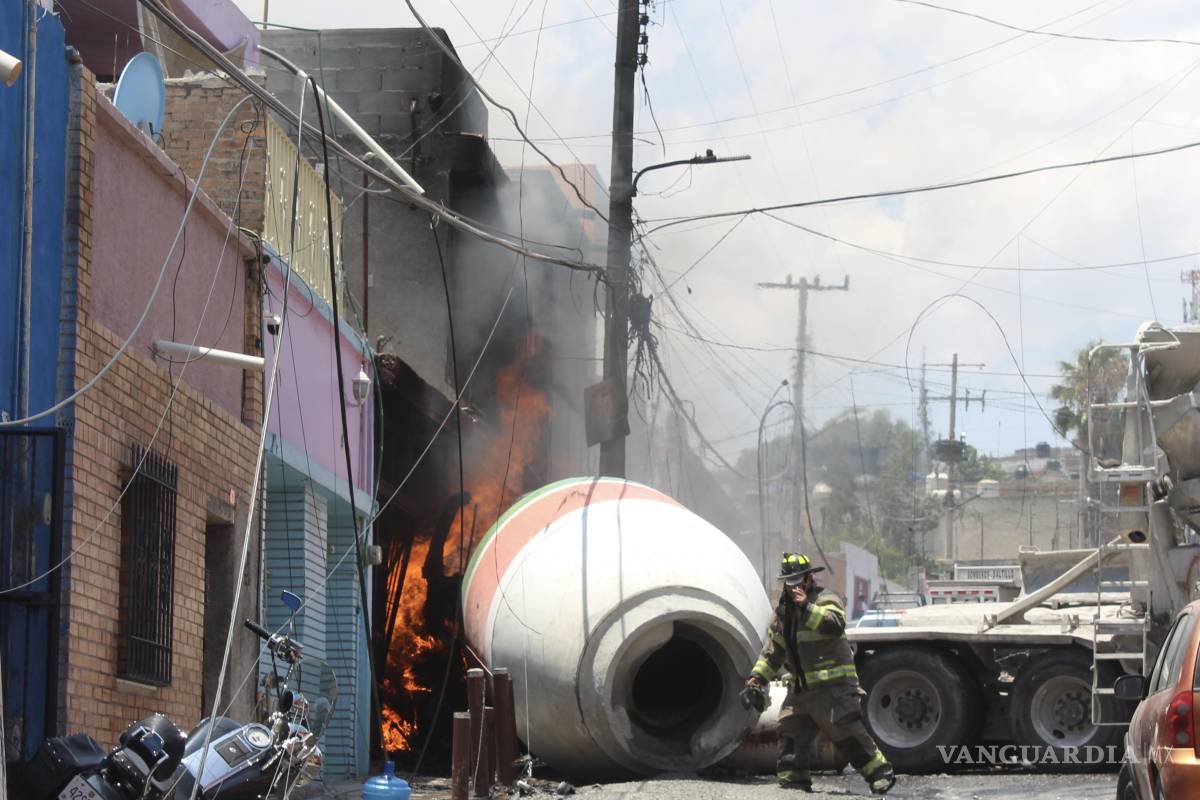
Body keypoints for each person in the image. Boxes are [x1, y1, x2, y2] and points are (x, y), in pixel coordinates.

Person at [740, 552, 895, 794]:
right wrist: (756, 679)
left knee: (847, 735)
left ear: (809, 578)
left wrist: (806, 607)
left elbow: (835, 624)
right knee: (790, 736)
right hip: (800, 693)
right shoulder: (783, 613)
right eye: (789, 582)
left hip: (833, 689)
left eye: (798, 580)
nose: (793, 587)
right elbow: (773, 652)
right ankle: (794, 784)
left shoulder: (826, 599)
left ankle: (879, 775)